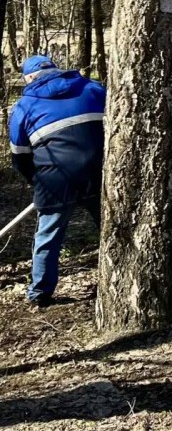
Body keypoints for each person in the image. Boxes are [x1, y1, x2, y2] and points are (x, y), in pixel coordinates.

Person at [8, 56, 106, 307]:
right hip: (101, 172)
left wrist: (37, 181)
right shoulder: (93, 88)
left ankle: (39, 293)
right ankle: (122, 276)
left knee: (47, 237)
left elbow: (20, 155)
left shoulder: (24, 106)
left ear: (29, 79)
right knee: (113, 228)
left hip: (55, 179)